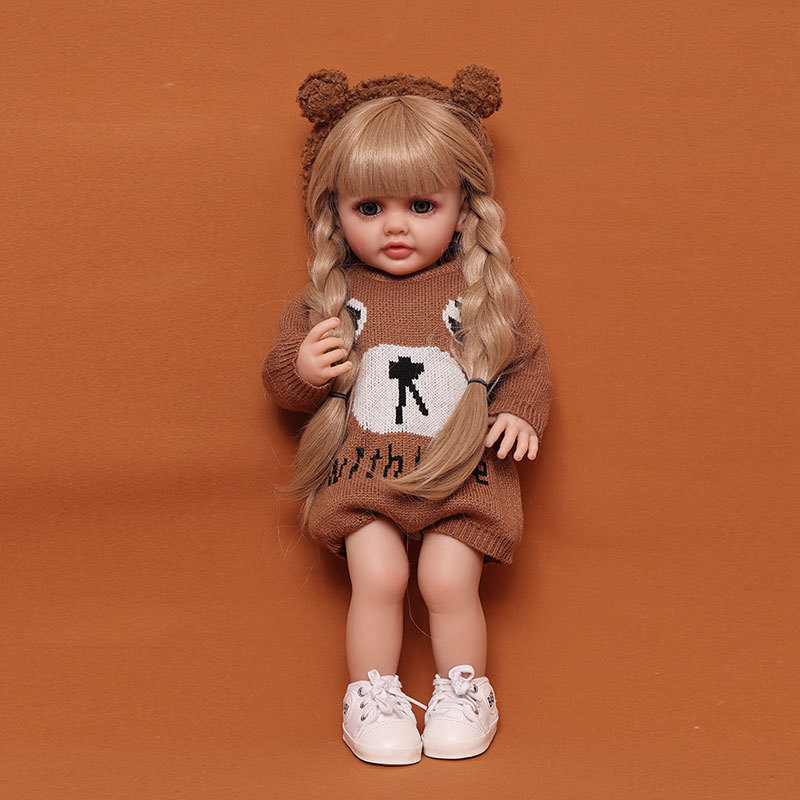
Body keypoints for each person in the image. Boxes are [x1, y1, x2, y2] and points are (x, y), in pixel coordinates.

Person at [262, 66, 552, 765]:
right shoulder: (329, 299)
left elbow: (530, 364)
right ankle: (373, 694)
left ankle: (464, 690)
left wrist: (520, 412)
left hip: (462, 476)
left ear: (463, 206)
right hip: (365, 476)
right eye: (370, 208)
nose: (396, 226)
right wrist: (304, 370)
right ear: (335, 211)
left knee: (448, 580)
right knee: (380, 576)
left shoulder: (485, 293)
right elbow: (280, 380)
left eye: (422, 205)